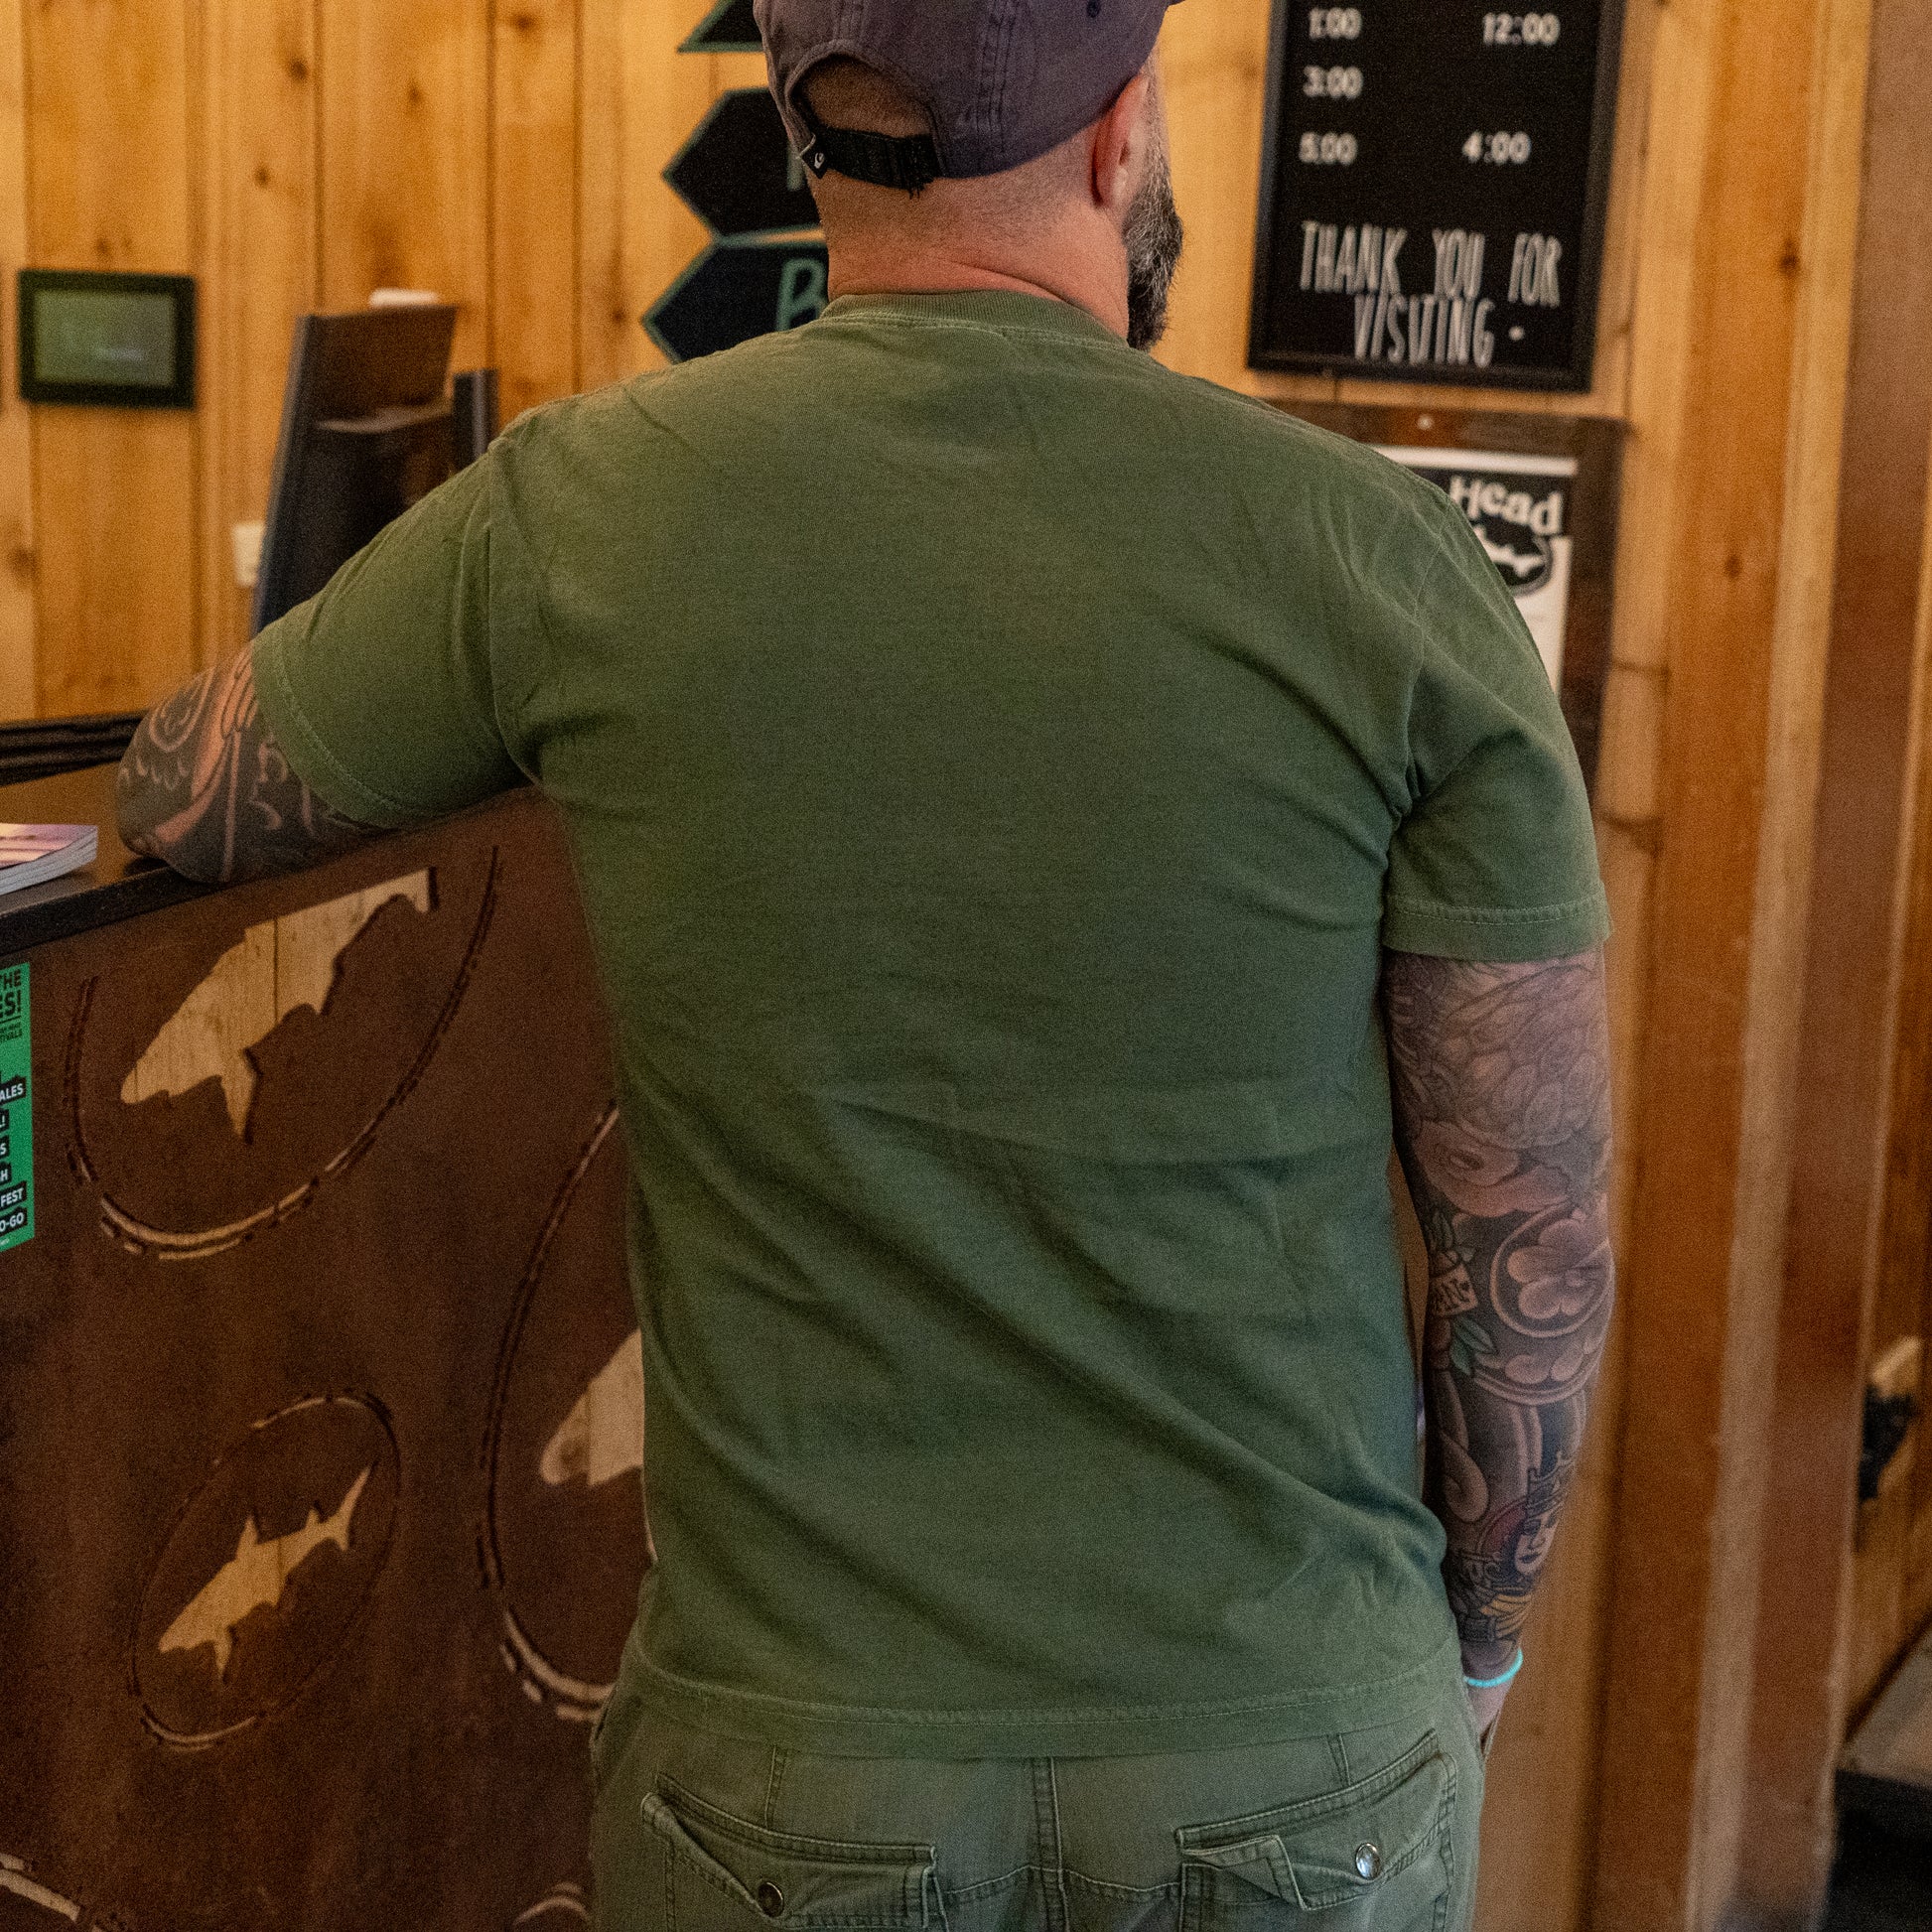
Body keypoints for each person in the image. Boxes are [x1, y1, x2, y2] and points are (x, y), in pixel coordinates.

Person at [117, 3, 1614, 1926]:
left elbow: (186, 788)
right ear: (1119, 138)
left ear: (805, 137)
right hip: (1282, 1731)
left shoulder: (583, 509)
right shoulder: (1385, 557)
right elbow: (1528, 1241)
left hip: (797, 1766)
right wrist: (1478, 1642)